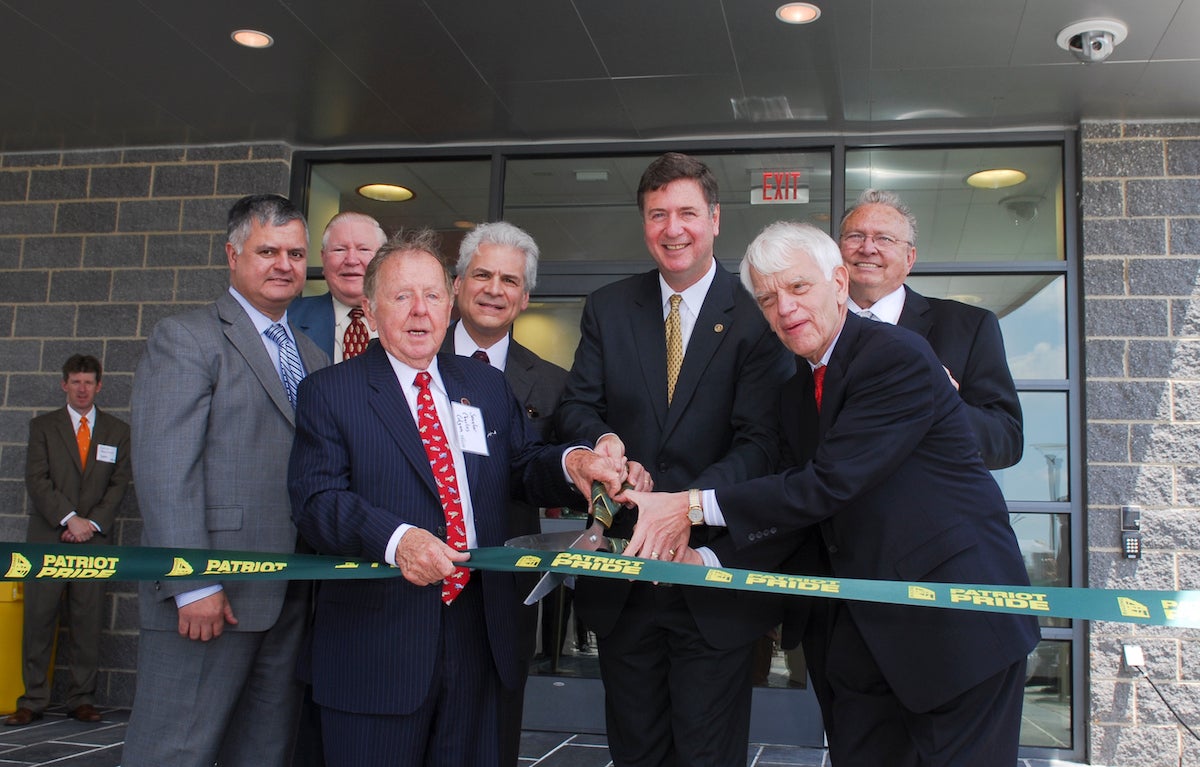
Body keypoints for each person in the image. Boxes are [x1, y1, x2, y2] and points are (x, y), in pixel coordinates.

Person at [625, 221, 1040, 767]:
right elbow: (800, 514)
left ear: (840, 282)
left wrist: (689, 505)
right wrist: (703, 557)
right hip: (857, 646)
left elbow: (827, 484)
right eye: (769, 299)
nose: (785, 309)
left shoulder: (896, 356)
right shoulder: (796, 393)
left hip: (954, 635)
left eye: (799, 288)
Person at [287, 229, 631, 767]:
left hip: (478, 637)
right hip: (380, 642)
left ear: (450, 303)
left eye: (431, 296)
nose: (419, 312)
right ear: (371, 312)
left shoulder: (485, 386)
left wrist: (573, 462)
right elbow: (315, 499)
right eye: (401, 297)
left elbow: (519, 466)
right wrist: (396, 540)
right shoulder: (331, 392)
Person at [554, 152, 795, 766]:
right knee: (636, 753)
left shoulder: (756, 312)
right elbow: (578, 406)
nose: (673, 227)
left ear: (714, 219)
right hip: (624, 584)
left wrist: (686, 508)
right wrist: (600, 444)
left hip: (710, 575)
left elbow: (762, 442)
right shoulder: (609, 307)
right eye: (657, 214)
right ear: (644, 224)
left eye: (687, 212)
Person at [122, 194, 328, 767]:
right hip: (211, 596)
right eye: (267, 251)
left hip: (290, 593)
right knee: (174, 749)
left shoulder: (311, 356)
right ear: (232, 255)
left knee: (263, 751)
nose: (283, 265)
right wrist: (192, 582)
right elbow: (166, 471)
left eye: (294, 253)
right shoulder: (186, 338)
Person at [440, 221, 569, 766]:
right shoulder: (409, 355)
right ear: (457, 284)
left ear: (525, 297)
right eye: (483, 275)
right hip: (415, 581)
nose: (495, 289)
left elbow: (551, 470)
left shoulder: (554, 383)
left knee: (493, 738)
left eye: (509, 281)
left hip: (502, 590)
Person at [839, 188, 1023, 469]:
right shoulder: (804, 328)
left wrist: (943, 403)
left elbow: (1006, 443)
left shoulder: (969, 327)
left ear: (910, 258)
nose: (867, 248)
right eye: (855, 236)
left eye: (884, 238)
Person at [5, 354, 131, 727]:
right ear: (64, 384)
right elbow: (37, 480)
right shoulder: (42, 426)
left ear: (99, 386)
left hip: (93, 540)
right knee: (39, 620)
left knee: (87, 620)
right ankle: (32, 699)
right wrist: (69, 518)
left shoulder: (117, 431)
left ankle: (82, 699)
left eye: (88, 382)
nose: (81, 389)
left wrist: (90, 523)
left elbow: (118, 484)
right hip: (48, 538)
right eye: (75, 382)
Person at [290, 211, 388, 361]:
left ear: (383, 260)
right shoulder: (288, 319)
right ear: (323, 259)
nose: (351, 260)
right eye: (339, 250)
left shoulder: (410, 320)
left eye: (363, 249)